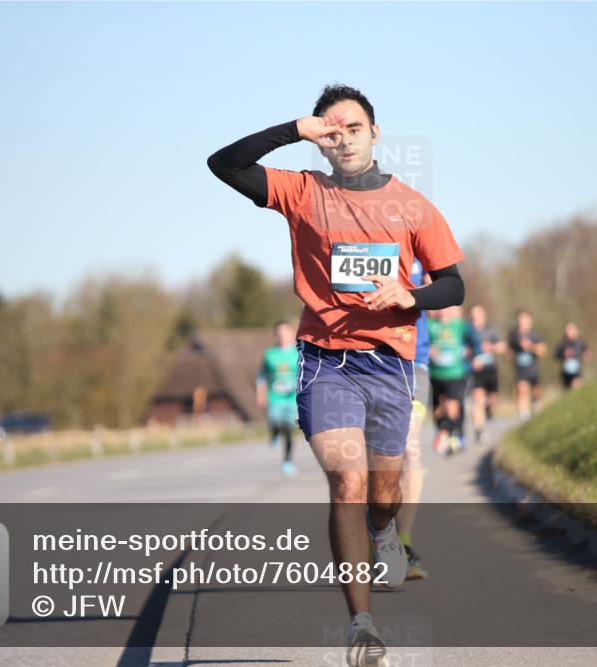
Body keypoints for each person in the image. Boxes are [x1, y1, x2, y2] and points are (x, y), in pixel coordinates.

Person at [208, 84, 464, 667]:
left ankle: (384, 532)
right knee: (347, 481)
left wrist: (413, 294)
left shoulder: (413, 206)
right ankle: (362, 624)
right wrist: (294, 128)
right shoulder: (301, 190)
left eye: (354, 128)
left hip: (390, 361)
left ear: (376, 134)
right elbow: (223, 164)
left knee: (383, 492)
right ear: (321, 141)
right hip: (325, 358)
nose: (343, 137)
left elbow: (453, 283)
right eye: (331, 130)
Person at [395, 259, 430, 581]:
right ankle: (375, 536)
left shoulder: (422, 243)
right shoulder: (362, 237)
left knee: (410, 449)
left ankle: (403, 543)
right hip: (369, 360)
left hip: (415, 362)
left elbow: (450, 286)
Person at [256, 321, 300, 476]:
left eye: (285, 332)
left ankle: (287, 461)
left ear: (291, 333)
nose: (282, 336)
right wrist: (260, 393)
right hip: (274, 397)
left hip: (292, 398)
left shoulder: (298, 352)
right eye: (279, 333)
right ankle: (274, 433)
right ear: (276, 335)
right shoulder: (270, 354)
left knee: (288, 427)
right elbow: (261, 376)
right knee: (275, 421)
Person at [427, 305, 470, 455]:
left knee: (453, 405)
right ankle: (444, 430)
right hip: (436, 374)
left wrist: (473, 351)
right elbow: (419, 344)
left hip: (455, 373)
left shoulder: (458, 325)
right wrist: (428, 350)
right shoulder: (430, 325)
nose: (444, 310)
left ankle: (452, 433)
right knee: (438, 410)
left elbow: (474, 338)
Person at [466, 305, 505, 443]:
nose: (475, 317)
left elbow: (502, 346)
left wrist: (491, 347)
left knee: (492, 400)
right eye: (473, 314)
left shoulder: (491, 329)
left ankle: (488, 409)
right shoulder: (467, 330)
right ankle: (479, 430)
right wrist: (468, 353)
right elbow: (462, 347)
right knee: (478, 398)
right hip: (475, 370)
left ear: (484, 315)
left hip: (490, 369)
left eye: (478, 314)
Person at [507, 309, 546, 422]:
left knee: (536, 392)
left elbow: (542, 350)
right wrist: (511, 355)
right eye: (520, 319)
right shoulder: (513, 335)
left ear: (530, 320)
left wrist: (530, 346)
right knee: (521, 389)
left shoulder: (535, 334)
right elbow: (509, 351)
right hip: (520, 369)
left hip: (533, 369)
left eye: (524, 319)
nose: (522, 321)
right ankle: (524, 416)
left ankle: (535, 402)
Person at [554, 322, 589, 390]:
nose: (569, 332)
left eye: (571, 329)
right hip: (565, 373)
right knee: (567, 391)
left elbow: (587, 354)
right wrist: (563, 355)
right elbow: (555, 354)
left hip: (577, 372)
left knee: (576, 387)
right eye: (567, 330)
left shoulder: (580, 342)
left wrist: (585, 355)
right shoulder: (562, 343)